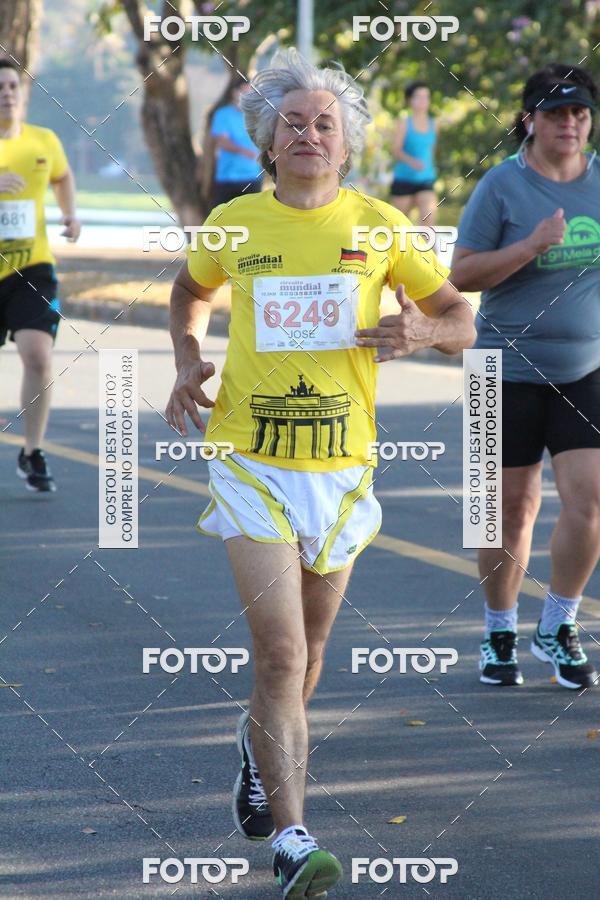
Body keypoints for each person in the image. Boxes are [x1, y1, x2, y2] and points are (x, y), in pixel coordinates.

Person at [166, 49, 474, 898]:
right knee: (279, 654)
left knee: (309, 657)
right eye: (292, 122)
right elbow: (187, 293)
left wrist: (422, 334)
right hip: (250, 463)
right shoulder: (235, 225)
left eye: (324, 123)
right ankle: (296, 840)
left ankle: (256, 745)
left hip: (340, 473)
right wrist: (188, 357)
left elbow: (461, 319)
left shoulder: (379, 226)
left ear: (346, 147)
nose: (308, 133)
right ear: (267, 141)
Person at [451, 63, 600, 690]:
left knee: (590, 502)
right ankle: (498, 629)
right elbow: (460, 276)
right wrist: (531, 247)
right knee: (506, 511)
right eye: (556, 113)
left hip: (586, 366)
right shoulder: (501, 188)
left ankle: (557, 625)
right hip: (502, 368)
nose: (569, 124)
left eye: (580, 113)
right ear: (529, 120)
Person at [0, 59, 80, 492]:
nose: (7, 92)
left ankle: (32, 451)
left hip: (31, 266)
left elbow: (62, 176)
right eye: (0, 86)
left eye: (13, 85)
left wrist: (70, 214)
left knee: (38, 355)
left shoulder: (43, 140)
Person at [206, 75, 263, 208]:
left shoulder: (256, 115)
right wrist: (243, 150)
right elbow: (222, 142)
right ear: (234, 92)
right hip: (227, 179)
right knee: (222, 220)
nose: (245, 96)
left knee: (250, 221)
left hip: (252, 178)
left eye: (249, 93)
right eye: (242, 92)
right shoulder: (223, 114)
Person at [390, 81, 438, 225]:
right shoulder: (404, 122)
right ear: (410, 100)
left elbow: (431, 150)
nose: (424, 101)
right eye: (419, 96)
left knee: (428, 222)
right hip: (404, 179)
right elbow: (396, 150)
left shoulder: (434, 123)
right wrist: (411, 161)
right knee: (399, 227)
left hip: (426, 180)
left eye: (426, 97)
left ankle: (428, 248)